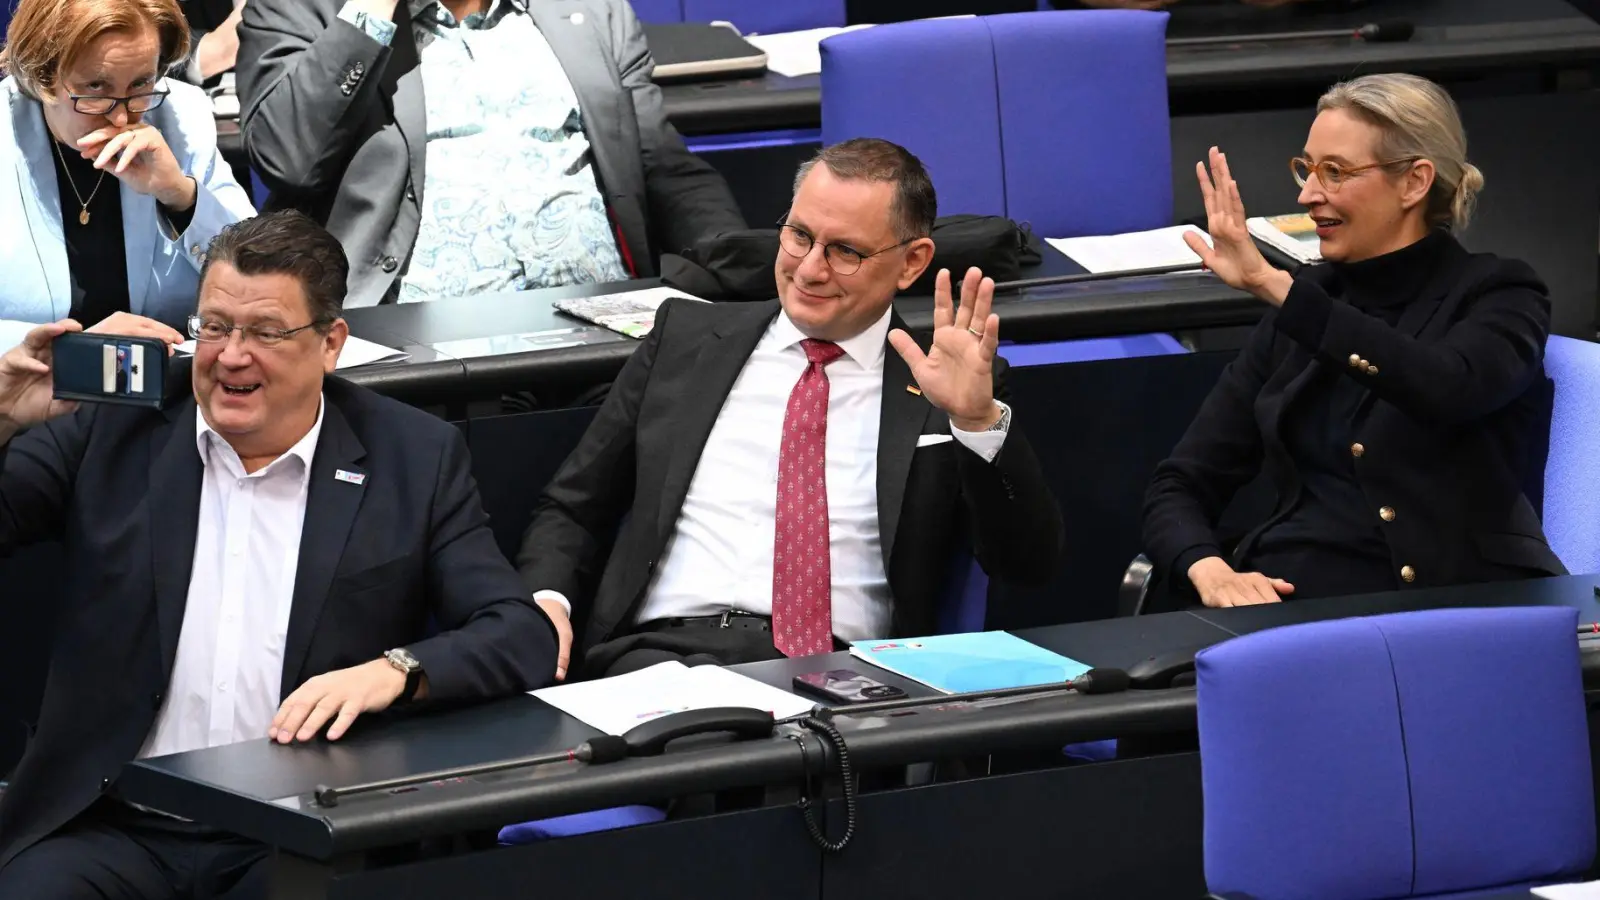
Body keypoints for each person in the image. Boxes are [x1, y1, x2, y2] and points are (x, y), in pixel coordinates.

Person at [0, 210, 560, 897]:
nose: (232, 356)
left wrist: (396, 670)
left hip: (294, 831)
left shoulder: (410, 457)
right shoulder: (117, 425)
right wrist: (0, 411)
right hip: (112, 822)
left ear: (331, 343)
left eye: (266, 332)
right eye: (214, 327)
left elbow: (518, 632)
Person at [518, 138, 1065, 679]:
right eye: (799, 236)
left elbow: (1027, 564)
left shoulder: (945, 384)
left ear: (911, 263)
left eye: (844, 251)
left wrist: (975, 422)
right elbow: (573, 506)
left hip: (838, 677)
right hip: (657, 658)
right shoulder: (686, 340)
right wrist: (545, 602)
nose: (809, 270)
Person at [1143, 72, 1564, 609]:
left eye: (1335, 172)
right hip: (1282, 604)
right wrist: (1208, 568)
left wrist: (1274, 285)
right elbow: (1181, 481)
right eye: (1307, 168)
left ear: (1414, 182)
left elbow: (1447, 387)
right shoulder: (1308, 302)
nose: (1307, 193)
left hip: (1446, 611)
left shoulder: (1499, 291)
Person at [235, 0, 748, 306]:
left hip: (604, 325)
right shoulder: (305, 9)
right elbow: (288, 159)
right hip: (413, 341)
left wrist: (744, 264)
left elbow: (662, 164)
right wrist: (369, 13)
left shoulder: (589, 9)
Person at [0, 0, 254, 353]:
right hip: (34, 394)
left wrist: (181, 196)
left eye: (140, 83)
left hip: (167, 393)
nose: (121, 117)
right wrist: (79, 351)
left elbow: (259, 278)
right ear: (43, 76)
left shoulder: (182, 117)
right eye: (96, 87)